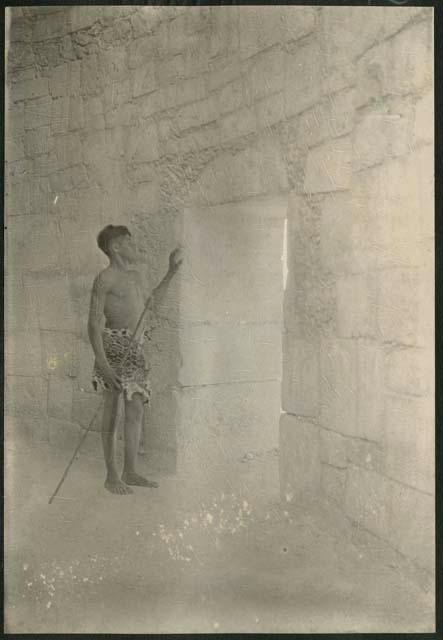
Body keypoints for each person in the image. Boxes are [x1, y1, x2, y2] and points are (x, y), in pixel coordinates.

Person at [88, 224, 182, 495]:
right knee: (112, 408)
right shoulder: (104, 279)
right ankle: (111, 475)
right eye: (129, 243)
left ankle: (130, 470)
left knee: (136, 408)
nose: (134, 246)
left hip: (135, 347)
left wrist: (170, 272)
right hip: (113, 346)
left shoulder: (136, 276)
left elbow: (153, 305)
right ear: (115, 247)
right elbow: (93, 325)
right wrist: (103, 365)